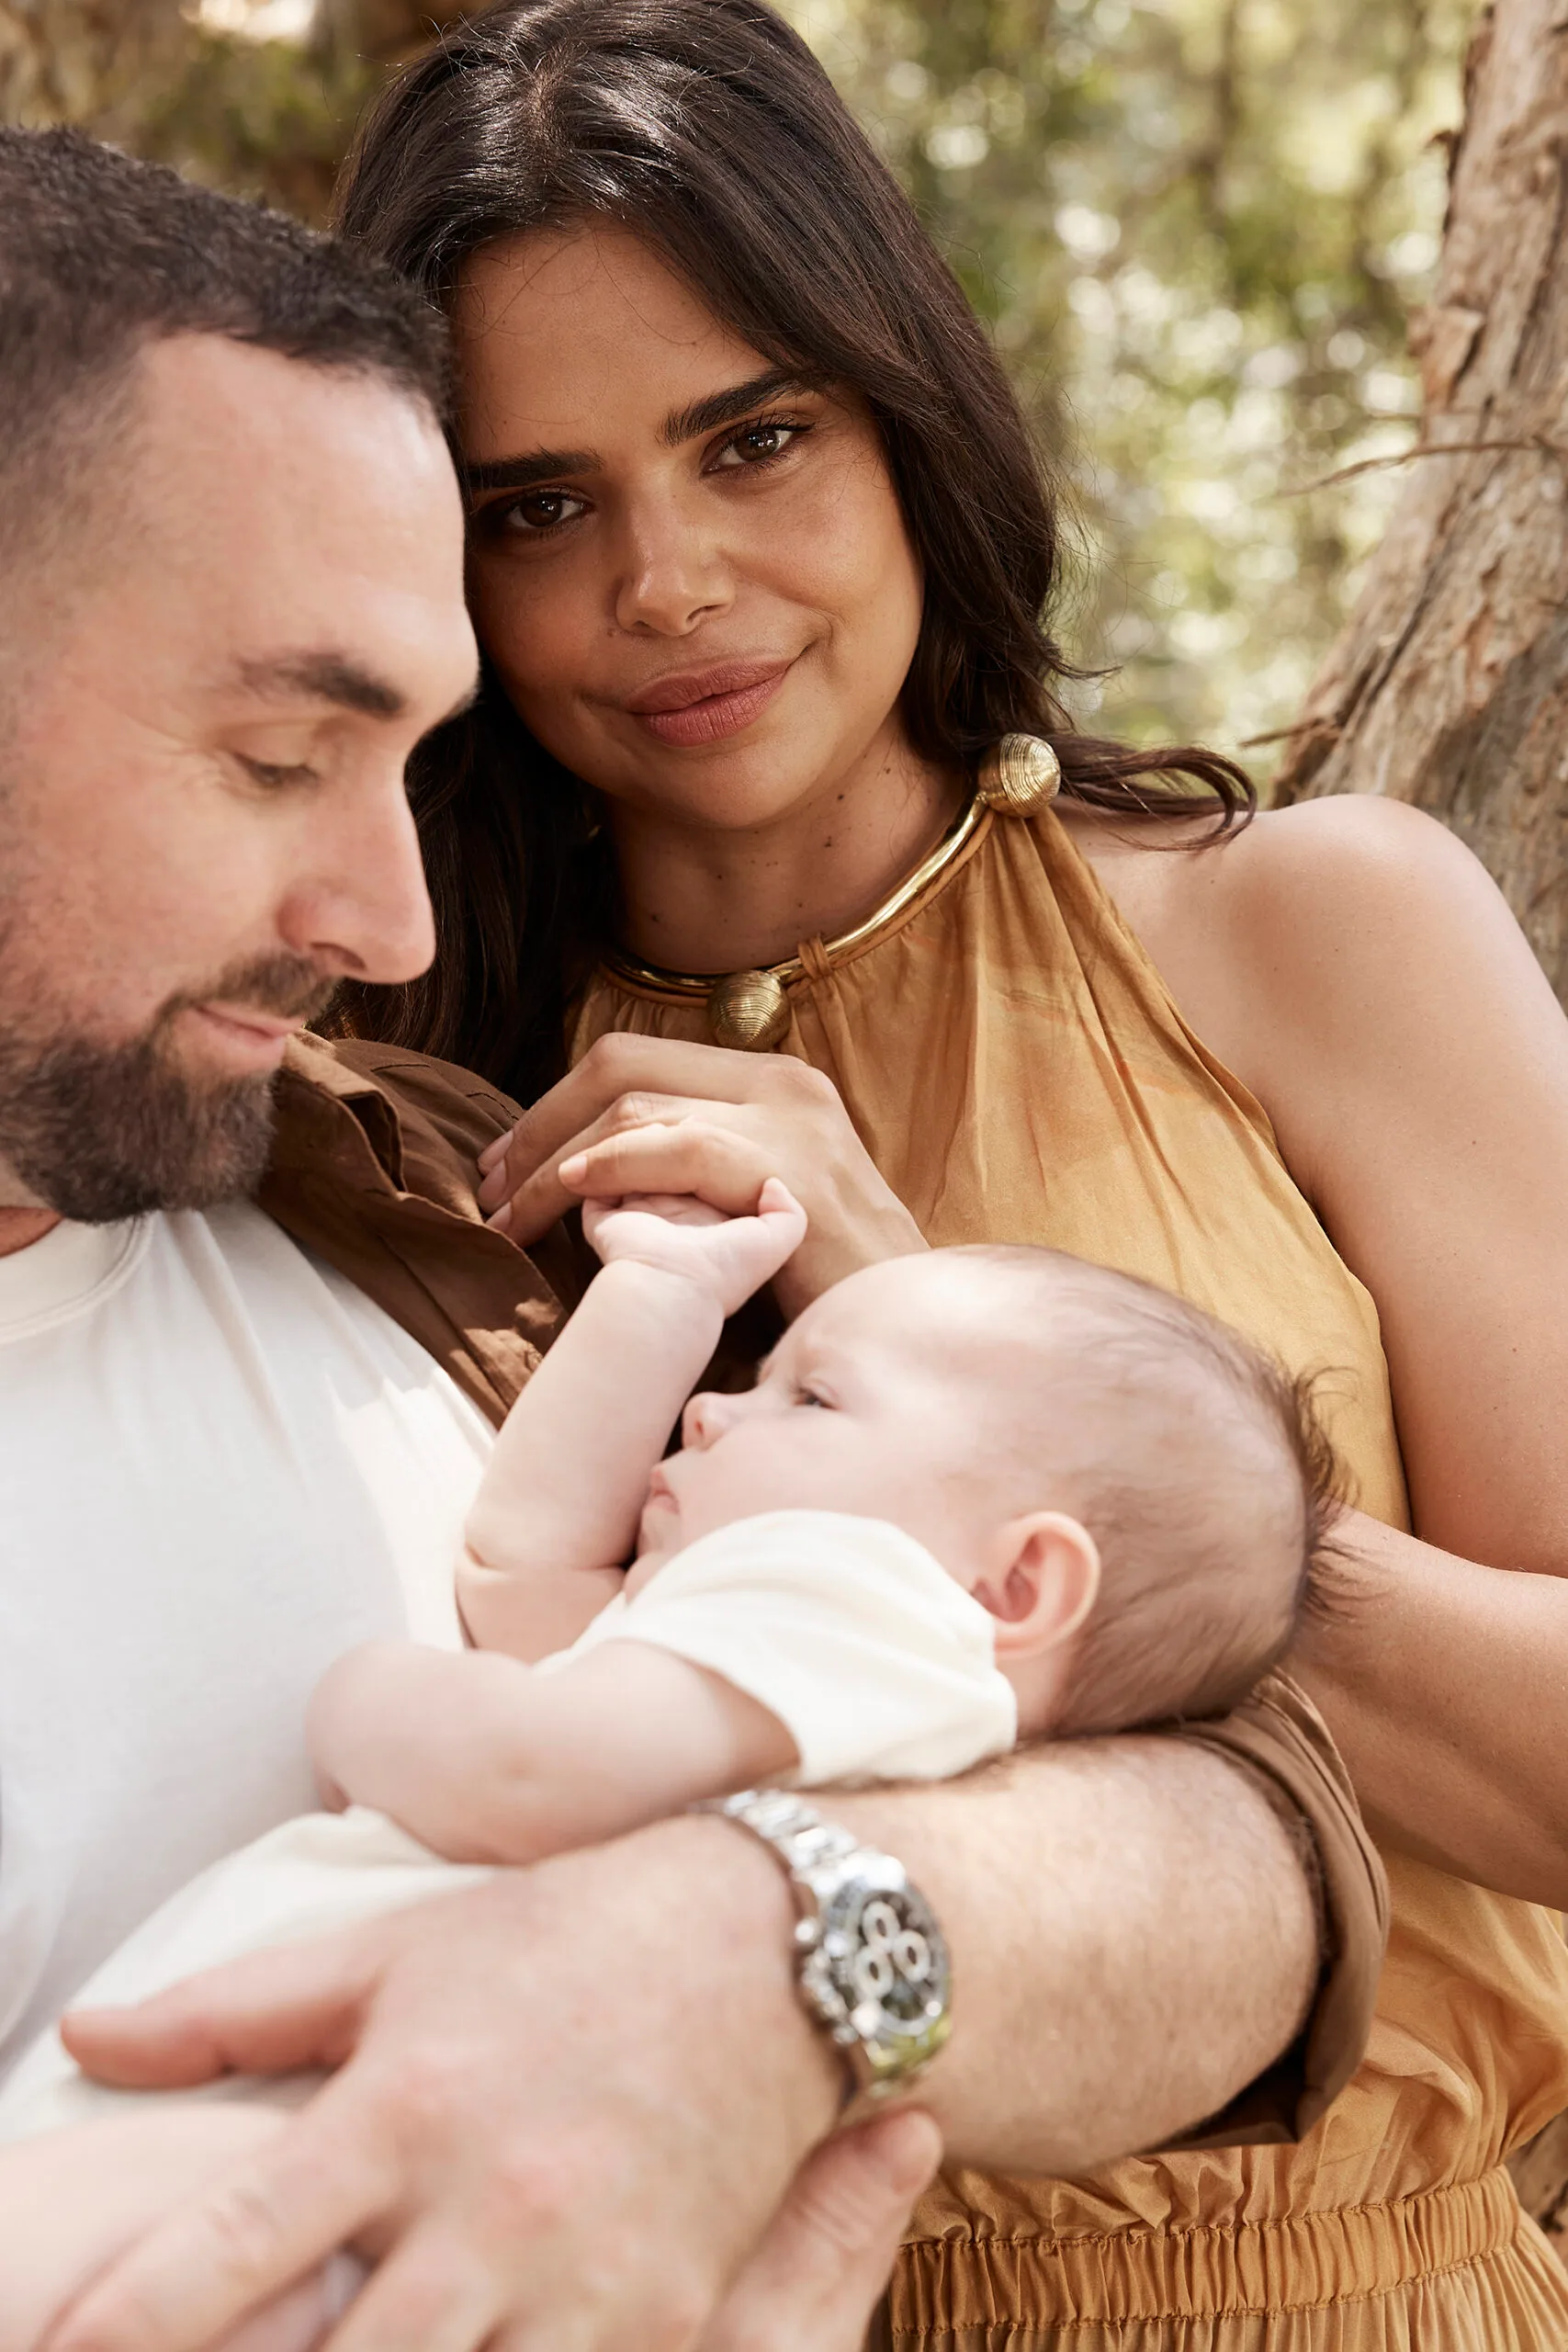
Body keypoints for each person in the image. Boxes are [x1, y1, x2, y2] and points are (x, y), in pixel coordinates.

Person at [218, 0, 1562, 2341]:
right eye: (541, 506)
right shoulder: (371, 1090)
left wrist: (1006, 1396)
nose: (668, 579)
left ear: (907, 413)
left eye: (757, 439)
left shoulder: (1308, 933)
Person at [0, 123, 954, 2352]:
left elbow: (1253, 1805)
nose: (390, 922)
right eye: (273, 757)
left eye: (411, 766)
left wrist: (770, 1949)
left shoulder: (408, 1192)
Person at [3, 1204, 1345, 2197]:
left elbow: (524, 1773)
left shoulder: (874, 1612)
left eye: (809, 1396)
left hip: (265, 2141)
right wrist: (656, 1298)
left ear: (1016, 1585)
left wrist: (363, 1697)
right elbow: (520, 1569)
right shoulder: (786, 1679)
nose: (709, 1412)